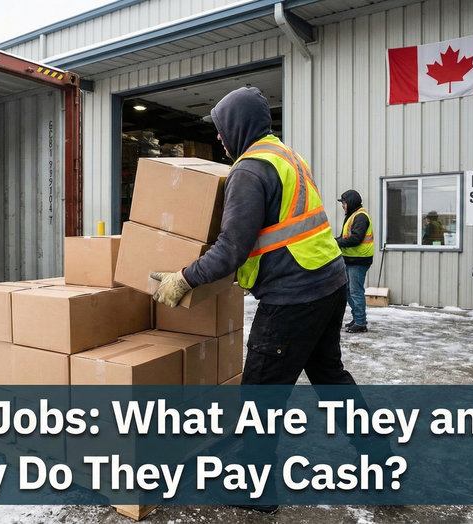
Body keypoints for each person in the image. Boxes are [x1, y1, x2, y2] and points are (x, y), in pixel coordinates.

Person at [149, 87, 389, 513]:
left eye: (222, 130)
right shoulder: (286, 156)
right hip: (327, 285)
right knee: (331, 379)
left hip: (293, 298)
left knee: (260, 394)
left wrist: (183, 278)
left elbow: (231, 249)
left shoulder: (250, 170)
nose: (221, 139)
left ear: (237, 126)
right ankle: (383, 468)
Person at [336, 189, 373, 333]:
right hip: (351, 259)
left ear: (350, 202)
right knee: (348, 290)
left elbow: (356, 239)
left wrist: (337, 242)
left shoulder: (360, 217)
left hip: (359, 260)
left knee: (356, 291)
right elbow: (347, 236)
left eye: (344, 203)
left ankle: (360, 322)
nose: (343, 206)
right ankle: (357, 318)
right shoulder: (353, 215)